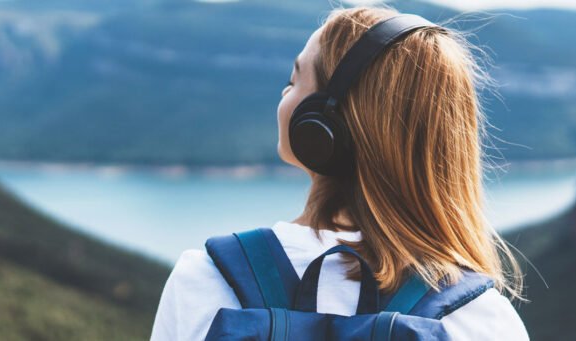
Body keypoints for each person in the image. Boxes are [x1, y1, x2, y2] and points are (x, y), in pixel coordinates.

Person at [151, 6, 529, 340]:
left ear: (320, 127)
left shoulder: (205, 280)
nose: (284, 94)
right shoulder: (482, 318)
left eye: (294, 81)